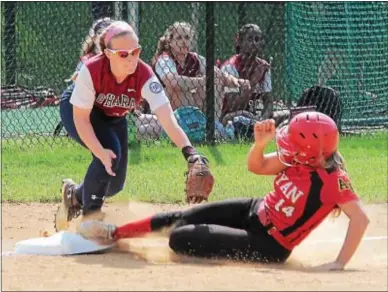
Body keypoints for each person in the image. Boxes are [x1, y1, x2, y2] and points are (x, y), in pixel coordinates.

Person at [79, 111, 369, 271]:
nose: (288, 147)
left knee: (181, 238)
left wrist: (339, 263)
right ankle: (114, 234)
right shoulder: (298, 158)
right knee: (182, 216)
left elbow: (360, 219)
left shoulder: (332, 180)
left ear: (311, 151)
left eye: (294, 142)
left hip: (269, 244)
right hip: (254, 210)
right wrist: (259, 144)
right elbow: (257, 167)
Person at [54, 21, 214, 232]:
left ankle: (74, 196)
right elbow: (82, 119)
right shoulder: (92, 70)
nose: (131, 59)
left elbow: (167, 118)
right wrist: (99, 150)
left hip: (113, 117)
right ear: (108, 53)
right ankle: (90, 220)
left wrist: (190, 153)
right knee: (109, 155)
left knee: (115, 184)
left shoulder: (144, 75)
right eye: (123, 54)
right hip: (79, 112)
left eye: (135, 51)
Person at [136, 21, 250, 140]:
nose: (184, 41)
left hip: (191, 104)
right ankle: (188, 126)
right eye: (179, 38)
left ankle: (211, 125)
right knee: (179, 86)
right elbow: (172, 81)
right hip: (165, 109)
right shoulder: (165, 59)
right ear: (170, 42)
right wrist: (202, 81)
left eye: (187, 37)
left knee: (216, 76)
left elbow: (218, 73)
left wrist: (237, 82)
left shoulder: (194, 58)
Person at [55, 17, 114, 136]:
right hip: (91, 109)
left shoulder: (120, 57)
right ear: (94, 38)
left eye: (110, 33)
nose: (105, 38)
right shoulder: (88, 60)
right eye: (101, 34)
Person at [220, 23, 273, 123]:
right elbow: (234, 106)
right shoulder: (231, 66)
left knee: (287, 115)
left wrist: (263, 119)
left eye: (257, 39)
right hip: (233, 116)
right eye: (249, 39)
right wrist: (254, 81)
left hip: (256, 116)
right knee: (238, 116)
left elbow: (269, 103)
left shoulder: (263, 66)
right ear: (240, 42)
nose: (254, 43)